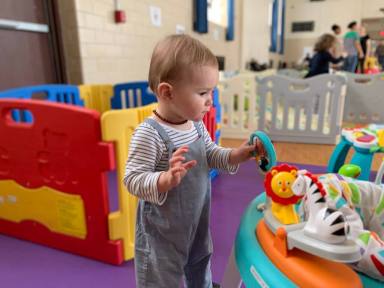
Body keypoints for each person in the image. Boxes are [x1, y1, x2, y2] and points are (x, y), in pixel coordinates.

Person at [124, 34, 266, 288]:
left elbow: (210, 154)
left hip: (196, 220)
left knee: (201, 264)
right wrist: (163, 179)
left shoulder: (196, 125)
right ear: (167, 92)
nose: (210, 100)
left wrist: (237, 154)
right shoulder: (150, 133)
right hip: (162, 232)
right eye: (202, 92)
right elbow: (132, 179)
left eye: (211, 91)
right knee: (161, 277)